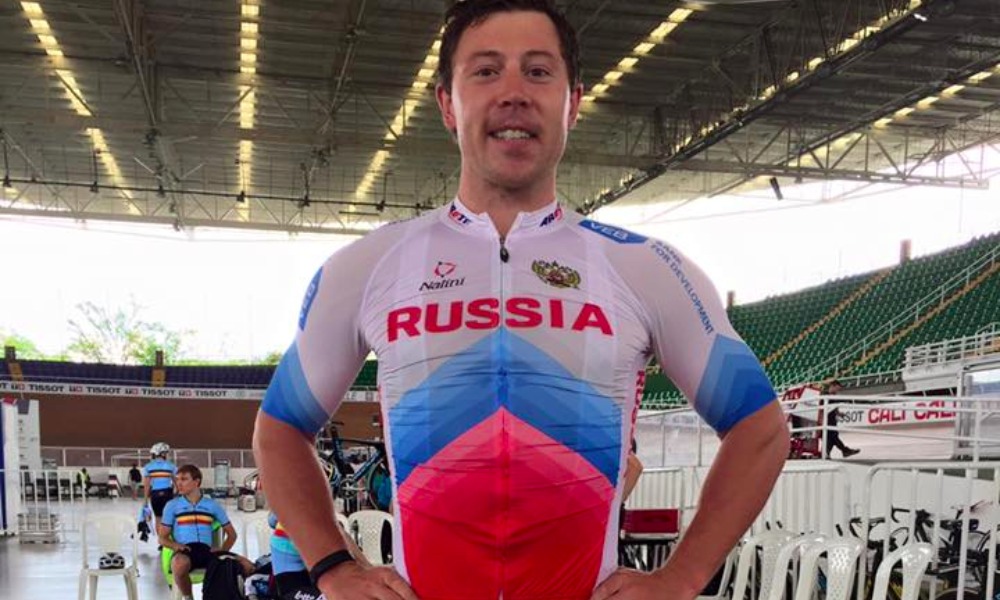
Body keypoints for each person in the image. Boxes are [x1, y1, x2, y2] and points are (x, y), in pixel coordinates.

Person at [253, 1, 789, 598]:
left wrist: (682, 576)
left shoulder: (644, 268)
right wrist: (333, 567)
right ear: (448, 104)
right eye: (486, 71)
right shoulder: (367, 266)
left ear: (572, 103)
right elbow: (279, 430)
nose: (513, 93)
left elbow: (760, 429)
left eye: (538, 71)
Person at [157, 464, 254, 600]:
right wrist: (176, 546)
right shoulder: (172, 506)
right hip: (186, 550)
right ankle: (188, 597)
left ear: (196, 482)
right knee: (179, 564)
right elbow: (162, 538)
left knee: (248, 566)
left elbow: (232, 535)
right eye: (177, 479)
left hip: (207, 551)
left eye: (184, 479)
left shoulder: (212, 505)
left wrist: (222, 550)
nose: (178, 483)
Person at [144, 442, 177, 529]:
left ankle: (160, 537)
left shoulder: (148, 467)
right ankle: (167, 536)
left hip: (155, 494)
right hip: (168, 493)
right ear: (163, 454)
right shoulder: (171, 466)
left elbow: (147, 485)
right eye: (166, 453)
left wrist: (145, 501)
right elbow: (177, 483)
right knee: (168, 518)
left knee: (158, 518)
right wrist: (176, 493)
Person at [823, 380, 860, 458]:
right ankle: (844, 450)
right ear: (832, 386)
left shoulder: (833, 396)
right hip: (826, 419)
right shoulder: (825, 395)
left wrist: (839, 414)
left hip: (832, 419)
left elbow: (834, 407)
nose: (837, 391)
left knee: (832, 437)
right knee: (832, 436)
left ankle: (827, 453)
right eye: (837, 389)